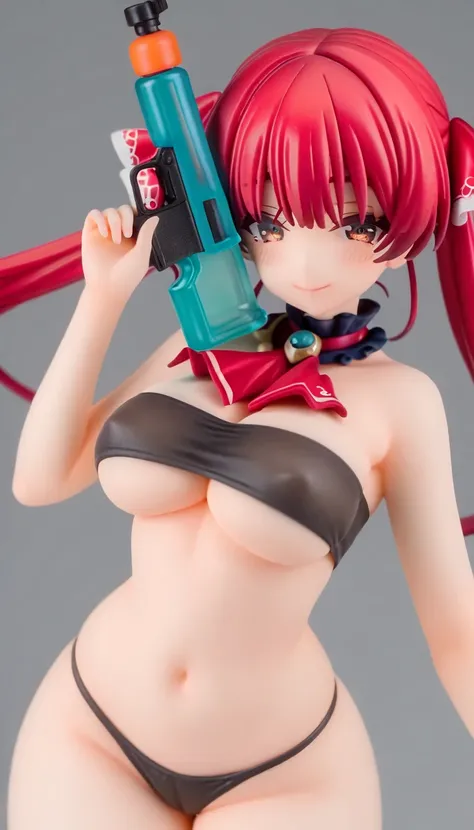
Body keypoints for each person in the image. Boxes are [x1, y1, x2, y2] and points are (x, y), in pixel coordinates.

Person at [4, 26, 474, 830]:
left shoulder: (403, 403)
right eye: (271, 220)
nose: (307, 262)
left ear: (412, 222)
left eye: (356, 224)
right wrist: (102, 298)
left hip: (283, 773)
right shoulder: (192, 339)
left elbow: (457, 634)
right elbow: (40, 480)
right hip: (91, 728)